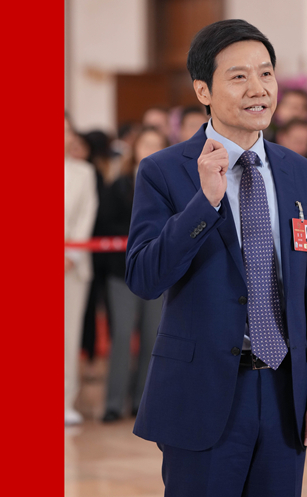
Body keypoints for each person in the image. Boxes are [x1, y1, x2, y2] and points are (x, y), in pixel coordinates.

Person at [125, 19, 307, 495]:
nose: (258, 89)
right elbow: (144, 277)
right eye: (239, 76)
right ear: (203, 90)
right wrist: (204, 204)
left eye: (266, 74)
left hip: (285, 395)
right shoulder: (164, 170)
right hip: (200, 395)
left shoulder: (298, 172)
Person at [100, 128, 170, 423]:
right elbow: (105, 224)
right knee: (122, 335)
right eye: (145, 144)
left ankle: (143, 401)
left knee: (154, 337)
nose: (150, 149)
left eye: (157, 144)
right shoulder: (119, 185)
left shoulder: (170, 183)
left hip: (158, 271)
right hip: (122, 272)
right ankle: (113, 402)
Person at [64, 122, 99, 426]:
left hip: (71, 266)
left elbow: (87, 213)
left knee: (68, 333)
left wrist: (71, 255)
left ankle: (65, 400)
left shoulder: (83, 172)